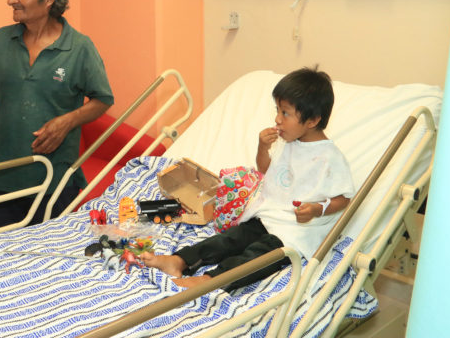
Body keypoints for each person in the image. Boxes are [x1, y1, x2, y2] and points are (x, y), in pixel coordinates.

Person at [142, 67, 355, 290]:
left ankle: (211, 280)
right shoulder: (290, 143)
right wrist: (262, 148)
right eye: (278, 110)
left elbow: (343, 199)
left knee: (258, 256)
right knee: (228, 239)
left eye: (285, 113)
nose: (277, 119)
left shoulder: (329, 158)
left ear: (311, 121)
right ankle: (179, 260)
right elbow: (267, 171)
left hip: (295, 232)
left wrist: (315, 209)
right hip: (268, 217)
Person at [0, 0, 114, 231]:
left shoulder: (79, 48)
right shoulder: (1, 40)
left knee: (49, 264)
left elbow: (103, 99)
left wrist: (66, 122)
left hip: (53, 181)